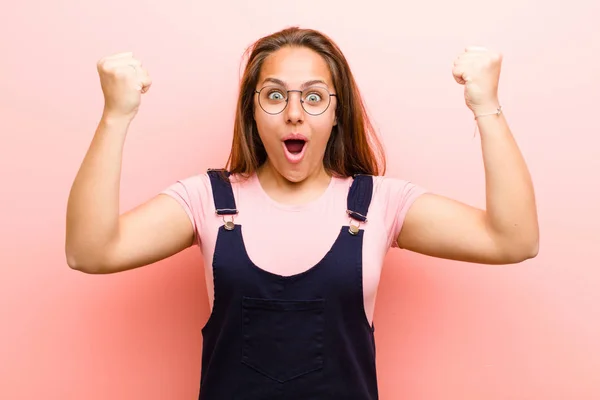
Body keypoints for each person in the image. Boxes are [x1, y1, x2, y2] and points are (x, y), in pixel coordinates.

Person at [65, 27, 539, 399]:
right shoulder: (206, 200)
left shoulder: (378, 204)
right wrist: (116, 115)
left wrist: (487, 107)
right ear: (252, 111)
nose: (294, 113)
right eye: (275, 95)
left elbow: (513, 240)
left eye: (313, 97)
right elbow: (90, 251)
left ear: (336, 114)